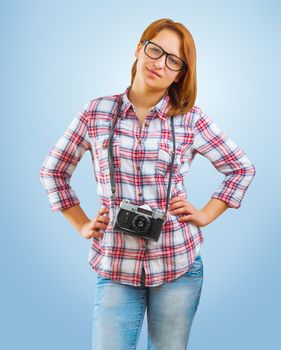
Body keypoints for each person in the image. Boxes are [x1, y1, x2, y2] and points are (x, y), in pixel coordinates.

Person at [40, 18, 256, 350]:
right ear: (139, 49)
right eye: (155, 51)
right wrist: (82, 224)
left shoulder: (191, 119)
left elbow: (241, 168)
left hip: (177, 266)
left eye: (174, 60)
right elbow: (53, 170)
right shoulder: (96, 112)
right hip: (115, 265)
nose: (160, 63)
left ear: (180, 73)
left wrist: (206, 214)